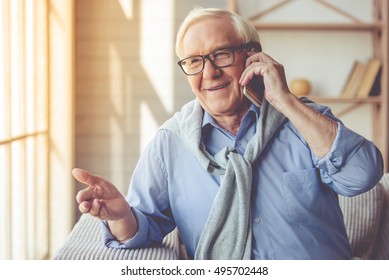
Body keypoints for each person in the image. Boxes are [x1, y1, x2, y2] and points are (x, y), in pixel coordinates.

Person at [72, 7, 384, 259]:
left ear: (253, 56)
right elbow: (145, 227)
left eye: (221, 54)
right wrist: (119, 216)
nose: (209, 72)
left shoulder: (302, 120)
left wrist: (285, 101)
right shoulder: (170, 143)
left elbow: (363, 176)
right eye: (194, 61)